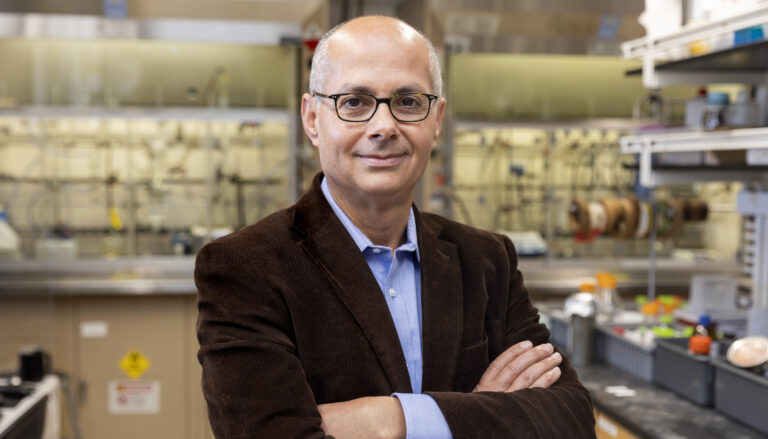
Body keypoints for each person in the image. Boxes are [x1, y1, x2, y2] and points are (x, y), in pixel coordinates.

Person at [196, 15, 596, 439]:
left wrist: (388, 419)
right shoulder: (245, 268)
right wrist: (481, 409)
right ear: (312, 118)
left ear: (436, 120)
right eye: (354, 102)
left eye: (407, 102)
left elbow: (569, 418)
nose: (384, 127)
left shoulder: (486, 260)